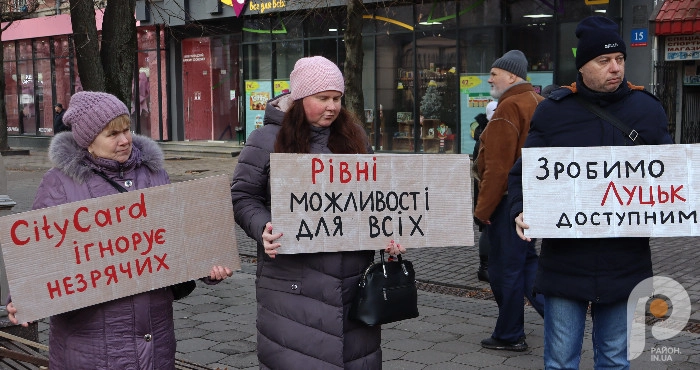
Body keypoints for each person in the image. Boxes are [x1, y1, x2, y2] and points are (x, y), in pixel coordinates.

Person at [6, 91, 234, 369]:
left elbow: (180, 236)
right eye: (112, 134)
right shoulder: (60, 183)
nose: (124, 140)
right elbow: (37, 254)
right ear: (88, 141)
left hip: (155, 335)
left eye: (127, 129)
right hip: (90, 345)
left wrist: (210, 263)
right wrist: (24, 299)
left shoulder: (153, 174)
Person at [509, 16, 673, 369]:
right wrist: (520, 209)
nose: (615, 68)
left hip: (623, 261)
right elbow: (524, 173)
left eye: (620, 60)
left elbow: (669, 175)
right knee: (560, 361)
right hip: (566, 260)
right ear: (582, 66)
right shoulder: (553, 113)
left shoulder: (648, 111)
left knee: (615, 359)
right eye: (604, 61)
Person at [230, 56, 405, 369]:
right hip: (293, 289)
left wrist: (386, 234)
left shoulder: (355, 139)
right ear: (299, 99)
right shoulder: (266, 141)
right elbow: (243, 197)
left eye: (337, 99)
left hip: (354, 287)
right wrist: (263, 227)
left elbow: (374, 198)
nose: (332, 107)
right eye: (322, 98)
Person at [474, 50, 545, 351]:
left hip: (507, 204)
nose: (489, 78)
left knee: (505, 270)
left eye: (494, 73)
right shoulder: (538, 103)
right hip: (533, 201)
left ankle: (510, 334)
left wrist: (483, 211)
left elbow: (498, 168)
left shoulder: (508, 107)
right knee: (528, 267)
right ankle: (560, 319)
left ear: (512, 76)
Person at [472, 100, 497, 282]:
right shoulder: (486, 135)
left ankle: (489, 264)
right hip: (486, 189)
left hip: (489, 188)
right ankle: (485, 266)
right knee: (487, 229)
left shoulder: (489, 132)